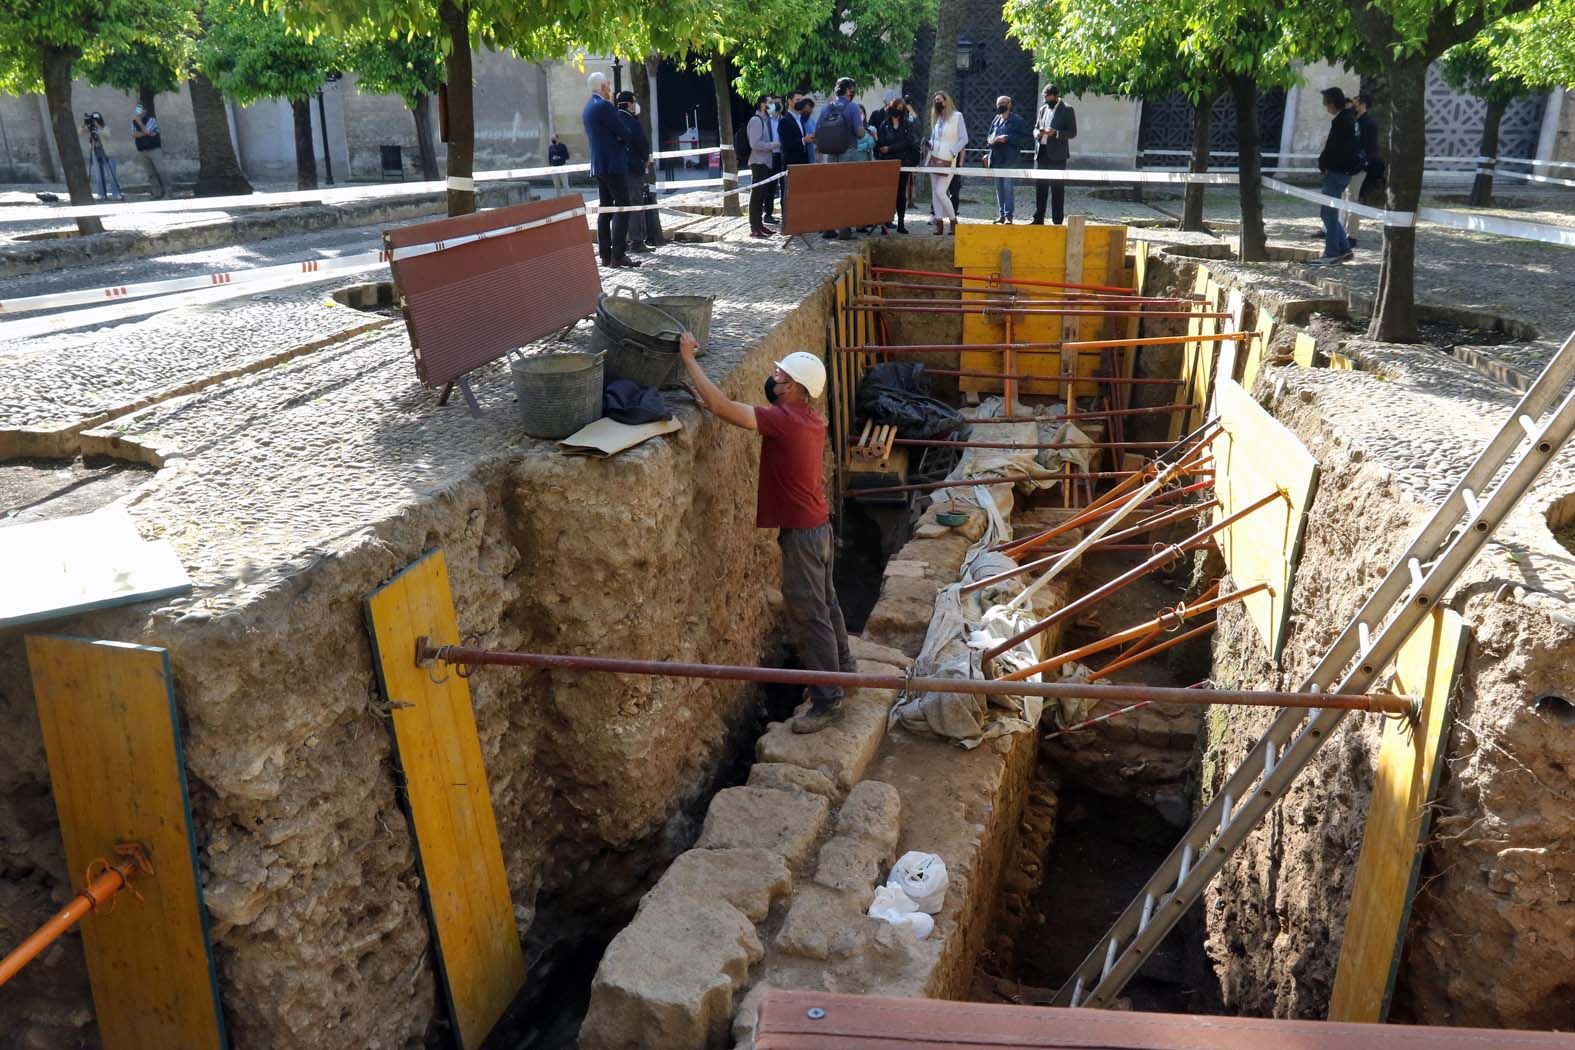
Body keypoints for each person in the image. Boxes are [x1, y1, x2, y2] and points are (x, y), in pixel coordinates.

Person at [676, 333, 854, 734]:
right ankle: (845, 670)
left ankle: (829, 702)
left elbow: (723, 408)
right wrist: (702, 392)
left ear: (797, 390)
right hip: (818, 527)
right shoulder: (808, 419)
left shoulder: (784, 421)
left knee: (809, 617)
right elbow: (722, 405)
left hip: (804, 536)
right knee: (827, 606)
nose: (773, 379)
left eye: (781, 377)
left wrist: (689, 359)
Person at [582, 71, 638, 269]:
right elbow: (623, 131)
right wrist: (623, 136)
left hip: (599, 164)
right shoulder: (604, 106)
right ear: (603, 87)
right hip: (613, 164)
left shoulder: (588, 107)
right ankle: (618, 254)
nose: (610, 90)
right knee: (623, 206)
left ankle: (605, 255)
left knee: (605, 209)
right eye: (608, 86)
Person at [809, 77, 865, 239]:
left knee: (832, 190)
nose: (853, 91)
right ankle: (844, 230)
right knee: (847, 190)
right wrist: (862, 129)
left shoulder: (828, 107)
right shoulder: (852, 107)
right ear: (848, 90)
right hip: (848, 152)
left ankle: (828, 228)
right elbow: (859, 132)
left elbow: (819, 129)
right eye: (852, 88)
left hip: (831, 154)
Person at [1312, 86, 1363, 264]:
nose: (1325, 107)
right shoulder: (1351, 119)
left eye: (1326, 103)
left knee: (1328, 213)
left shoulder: (1341, 120)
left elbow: (1333, 148)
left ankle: (1332, 251)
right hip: (1344, 171)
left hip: (1336, 172)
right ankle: (1344, 249)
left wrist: (1323, 164)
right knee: (1330, 212)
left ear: (1332, 103)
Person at [1032, 85, 1077, 225]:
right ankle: (1038, 218)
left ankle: (1057, 220)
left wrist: (1055, 133)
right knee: (1041, 188)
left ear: (1056, 95)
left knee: (1057, 188)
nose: (1045, 99)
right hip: (1042, 152)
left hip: (1058, 155)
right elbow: (1035, 127)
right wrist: (1037, 133)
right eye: (1044, 96)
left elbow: (1072, 132)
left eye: (1047, 96)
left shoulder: (1067, 110)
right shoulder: (1043, 109)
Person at [615, 91, 653, 253]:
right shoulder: (630, 120)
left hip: (618, 168)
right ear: (629, 104)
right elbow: (640, 142)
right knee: (635, 203)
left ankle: (621, 241)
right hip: (632, 168)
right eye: (634, 102)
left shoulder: (614, 118)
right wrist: (646, 159)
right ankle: (637, 241)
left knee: (621, 205)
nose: (635, 105)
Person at [876, 96, 921, 233]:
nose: (899, 110)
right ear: (891, 108)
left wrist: (890, 149)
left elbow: (908, 142)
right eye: (897, 107)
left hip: (903, 162)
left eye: (902, 108)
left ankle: (901, 223)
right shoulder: (884, 125)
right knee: (888, 194)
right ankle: (886, 223)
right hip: (888, 164)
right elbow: (882, 143)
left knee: (901, 193)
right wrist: (886, 149)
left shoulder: (907, 125)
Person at [1347, 92, 1385, 248]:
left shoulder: (1369, 123)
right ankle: (1343, 232)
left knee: (1352, 199)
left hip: (1359, 168)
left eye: (1355, 102)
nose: (1353, 105)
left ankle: (1351, 235)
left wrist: (1361, 163)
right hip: (1350, 166)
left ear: (1362, 104)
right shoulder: (1356, 121)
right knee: (1345, 199)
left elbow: (1369, 149)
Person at [986, 95, 1032, 224]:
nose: (1001, 105)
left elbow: (1024, 139)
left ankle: (1008, 216)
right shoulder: (996, 120)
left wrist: (1008, 138)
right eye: (999, 103)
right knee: (999, 188)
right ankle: (1001, 215)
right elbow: (989, 137)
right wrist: (993, 140)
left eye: (1003, 103)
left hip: (1010, 160)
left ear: (1010, 104)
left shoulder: (1017, 120)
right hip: (996, 159)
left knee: (1008, 188)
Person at [927, 91, 966, 235]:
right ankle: (939, 223)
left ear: (946, 101)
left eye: (939, 100)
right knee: (935, 194)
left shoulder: (957, 116)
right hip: (934, 158)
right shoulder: (937, 119)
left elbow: (964, 138)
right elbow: (934, 138)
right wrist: (929, 143)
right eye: (935, 100)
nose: (937, 102)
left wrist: (952, 152)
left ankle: (953, 220)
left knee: (941, 192)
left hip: (948, 160)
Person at [746, 94, 782, 238]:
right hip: (758, 162)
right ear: (762, 104)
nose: (773, 105)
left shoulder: (764, 119)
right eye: (770, 102)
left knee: (761, 196)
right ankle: (754, 227)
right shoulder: (756, 120)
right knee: (756, 196)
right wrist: (774, 145)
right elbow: (754, 144)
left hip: (765, 162)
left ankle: (760, 225)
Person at [778, 95, 814, 216]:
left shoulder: (801, 119)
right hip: (791, 163)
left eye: (802, 100)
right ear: (789, 101)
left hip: (802, 162)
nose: (801, 103)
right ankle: (788, 222)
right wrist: (804, 140)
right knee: (788, 194)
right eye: (798, 100)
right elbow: (786, 144)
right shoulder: (784, 121)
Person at [81, 112, 122, 202]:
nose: (95, 122)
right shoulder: (91, 129)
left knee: (111, 175)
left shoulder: (105, 128)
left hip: (109, 154)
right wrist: (85, 123)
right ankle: (102, 194)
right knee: (99, 176)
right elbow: (80, 131)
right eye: (94, 121)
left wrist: (98, 127)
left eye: (96, 121)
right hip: (96, 154)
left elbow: (107, 135)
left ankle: (116, 194)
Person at [129, 104, 166, 199]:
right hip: (142, 151)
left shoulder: (151, 120)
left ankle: (168, 193)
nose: (138, 112)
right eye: (137, 110)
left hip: (154, 149)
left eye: (140, 109)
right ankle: (157, 193)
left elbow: (147, 131)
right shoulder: (134, 122)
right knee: (150, 174)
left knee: (162, 171)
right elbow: (134, 134)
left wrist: (141, 125)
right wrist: (146, 133)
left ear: (144, 111)